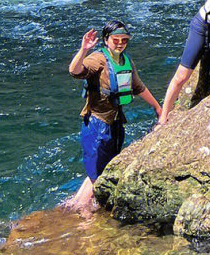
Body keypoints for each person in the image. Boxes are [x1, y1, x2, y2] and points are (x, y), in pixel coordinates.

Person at [66, 19, 161, 216]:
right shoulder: (98, 59)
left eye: (124, 40)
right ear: (106, 40)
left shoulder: (126, 61)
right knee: (95, 174)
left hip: (116, 122)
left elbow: (138, 87)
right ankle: (85, 217)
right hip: (96, 124)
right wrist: (83, 49)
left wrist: (158, 108)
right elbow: (74, 71)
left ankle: (74, 203)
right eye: (116, 39)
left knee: (103, 169)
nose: (120, 43)